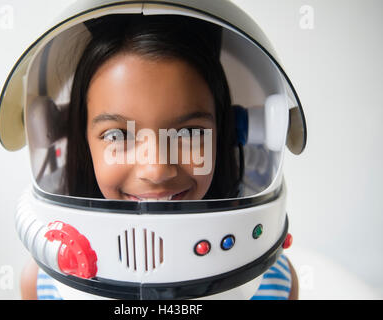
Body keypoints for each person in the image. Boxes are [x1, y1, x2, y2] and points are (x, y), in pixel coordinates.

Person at [19, 14, 299, 300]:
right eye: (117, 135)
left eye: (189, 132)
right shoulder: (43, 284)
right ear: (83, 140)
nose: (156, 169)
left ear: (224, 135)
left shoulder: (273, 285)